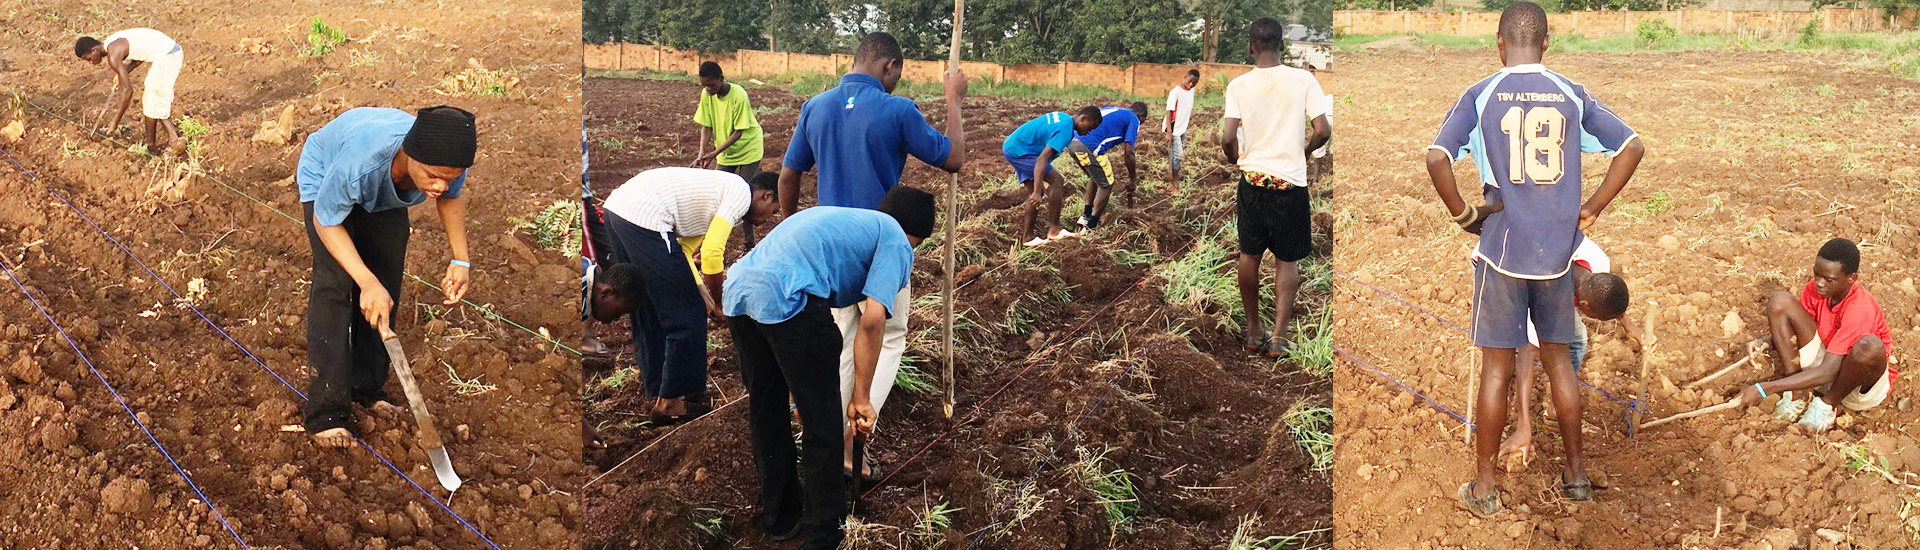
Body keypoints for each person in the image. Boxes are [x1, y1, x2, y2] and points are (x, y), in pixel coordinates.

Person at [1427, 1, 1644, 515]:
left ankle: (1484, 488)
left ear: (1498, 43)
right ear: (1547, 43)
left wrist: (1463, 214)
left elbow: (1436, 157)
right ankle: (1576, 476)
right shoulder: (1570, 92)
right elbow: (1632, 146)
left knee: (1496, 370)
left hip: (1501, 255)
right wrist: (1590, 208)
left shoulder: (1481, 94)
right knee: (1559, 363)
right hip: (1558, 259)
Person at [778, 31, 967, 481]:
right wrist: (953, 99)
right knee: (889, 336)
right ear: (889, 67)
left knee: (844, 338)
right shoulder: (896, 109)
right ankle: (851, 444)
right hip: (882, 243)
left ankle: (824, 442)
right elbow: (954, 158)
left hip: (830, 253)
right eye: (898, 74)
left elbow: (789, 176)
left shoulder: (816, 106)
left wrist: (795, 229)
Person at [722, 186, 936, 549]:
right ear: (914, 234)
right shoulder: (896, 239)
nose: (911, 253)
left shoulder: (842, 219)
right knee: (823, 424)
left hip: (740, 295)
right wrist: (862, 398)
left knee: (766, 410)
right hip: (792, 299)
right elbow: (872, 321)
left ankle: (781, 517)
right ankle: (825, 533)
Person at [297, 106, 478, 448]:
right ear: (410, 155)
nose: (440, 185)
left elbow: (451, 197)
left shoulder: (447, 158)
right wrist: (364, 281)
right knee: (336, 284)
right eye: (433, 176)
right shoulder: (359, 165)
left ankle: (366, 388)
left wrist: (461, 260)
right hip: (326, 176)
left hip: (382, 187)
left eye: (450, 177)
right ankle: (326, 412)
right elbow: (327, 221)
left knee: (387, 278)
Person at [589, 168, 780, 423]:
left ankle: (659, 387)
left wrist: (703, 292)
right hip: (645, 216)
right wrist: (720, 302)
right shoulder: (740, 195)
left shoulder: (720, 194)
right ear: (767, 196)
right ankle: (673, 401)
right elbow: (712, 254)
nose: (767, 220)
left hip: (620, 210)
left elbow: (684, 252)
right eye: (773, 211)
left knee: (648, 305)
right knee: (687, 313)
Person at [1221, 18, 1331, 358]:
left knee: (1249, 255)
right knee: (1287, 260)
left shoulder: (1238, 86)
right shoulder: (1303, 80)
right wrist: (1304, 151)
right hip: (1289, 183)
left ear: (1251, 48)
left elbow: (1226, 137)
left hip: (1252, 181)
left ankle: (1254, 331)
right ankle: (1279, 337)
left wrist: (1237, 158)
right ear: (1281, 44)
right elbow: (1323, 130)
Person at [1496, 236, 1643, 469]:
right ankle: (1531, 417)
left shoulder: (1598, 263)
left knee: (1576, 341)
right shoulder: (1548, 293)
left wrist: (1629, 325)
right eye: (1596, 317)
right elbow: (1526, 355)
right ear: (1583, 306)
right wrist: (1524, 426)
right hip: (1507, 267)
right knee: (1518, 352)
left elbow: (1608, 293)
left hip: (1546, 259)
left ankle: (1557, 408)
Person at [1734, 238, 1897, 432]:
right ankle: (1798, 394)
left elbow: (1829, 370)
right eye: (1816, 274)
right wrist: (1765, 342)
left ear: (1851, 278)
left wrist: (1765, 389)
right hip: (1827, 363)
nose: (1819, 283)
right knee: (1779, 301)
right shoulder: (1816, 290)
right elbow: (1797, 330)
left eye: (1828, 279)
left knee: (1869, 346)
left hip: (1854, 386)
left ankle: (1826, 406)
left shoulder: (1859, 308)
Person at [1006, 107, 1102, 249]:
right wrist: (1038, 191)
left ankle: (1028, 237)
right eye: (1090, 127)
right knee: (1057, 181)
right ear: (1083, 119)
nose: (1089, 131)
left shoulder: (1064, 119)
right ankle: (1054, 230)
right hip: (1021, 151)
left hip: (1015, 146)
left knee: (1036, 191)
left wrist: (1037, 191)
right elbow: (1042, 159)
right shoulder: (1065, 129)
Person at [74, 28, 184, 152]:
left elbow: (128, 91)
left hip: (168, 55)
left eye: (89, 58)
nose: (91, 62)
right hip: (168, 51)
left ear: (94, 50)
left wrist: (115, 121)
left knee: (155, 99)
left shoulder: (113, 55)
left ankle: (173, 141)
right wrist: (124, 72)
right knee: (151, 101)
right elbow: (140, 55)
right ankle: (151, 146)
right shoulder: (112, 41)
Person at [1066, 102, 1145, 230]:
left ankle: (1085, 216)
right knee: (1107, 184)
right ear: (1141, 116)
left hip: (1072, 143)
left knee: (1096, 177)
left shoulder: (1115, 110)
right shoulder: (1133, 118)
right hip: (1089, 146)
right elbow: (1129, 153)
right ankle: (1091, 226)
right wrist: (1132, 178)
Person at [692, 61, 766, 181]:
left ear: (721, 79)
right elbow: (707, 126)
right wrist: (701, 155)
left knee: (744, 188)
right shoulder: (707, 95)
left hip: (748, 148)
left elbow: (738, 132)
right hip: (726, 153)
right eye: (704, 85)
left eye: (711, 85)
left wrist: (713, 154)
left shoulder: (739, 95)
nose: (708, 89)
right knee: (720, 186)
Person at [1163, 69, 1199, 185]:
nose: (1191, 85)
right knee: (1177, 156)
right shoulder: (1176, 92)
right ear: (1185, 77)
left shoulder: (1191, 91)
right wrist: (1169, 132)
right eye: (1190, 81)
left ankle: (1173, 179)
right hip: (1174, 129)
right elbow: (1169, 112)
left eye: (1194, 83)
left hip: (1182, 128)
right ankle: (1174, 183)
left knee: (1176, 156)